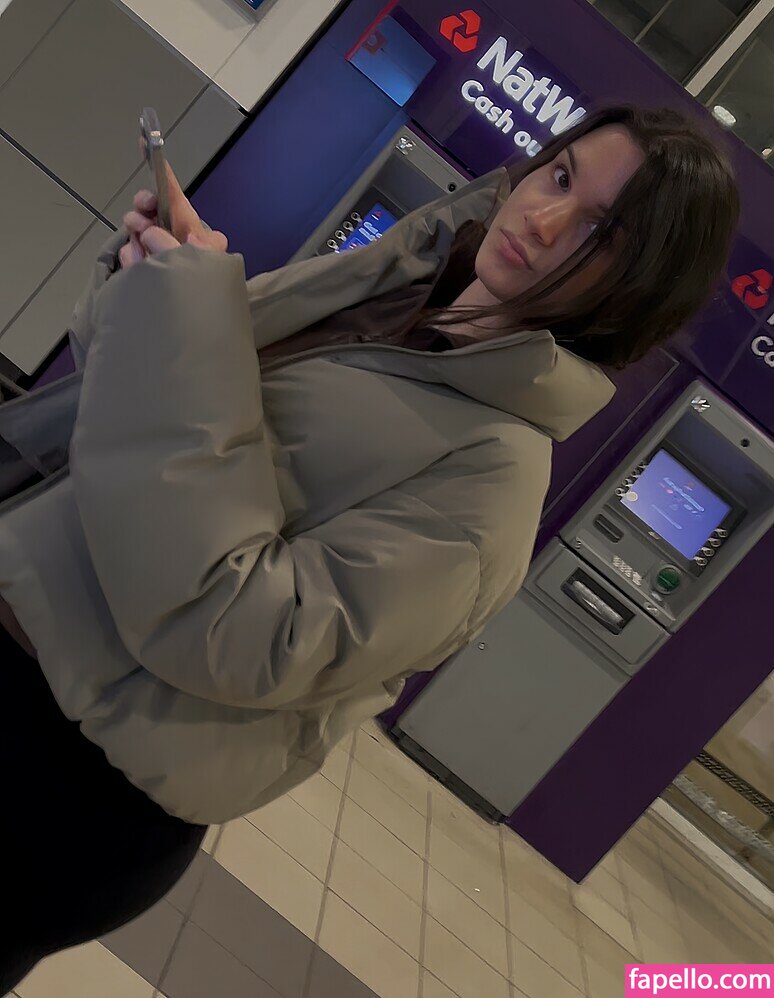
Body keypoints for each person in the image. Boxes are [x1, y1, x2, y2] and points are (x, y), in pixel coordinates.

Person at [0, 104, 738, 988]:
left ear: (639, 291)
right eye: (560, 176)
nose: (545, 220)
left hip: (64, 781)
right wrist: (152, 284)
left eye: (600, 233)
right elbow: (131, 400)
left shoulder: (491, 485)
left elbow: (247, 634)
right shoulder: (393, 290)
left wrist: (187, 324)